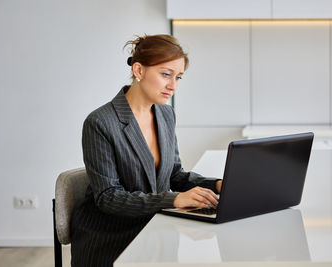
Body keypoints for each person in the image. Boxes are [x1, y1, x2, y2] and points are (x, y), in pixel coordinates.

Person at [70, 34, 222, 267]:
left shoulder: (165, 114)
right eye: (165, 74)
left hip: (156, 228)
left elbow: (174, 175)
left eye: (178, 77)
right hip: (113, 237)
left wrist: (218, 185)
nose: (173, 86)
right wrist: (175, 199)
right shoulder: (100, 122)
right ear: (139, 71)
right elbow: (108, 198)